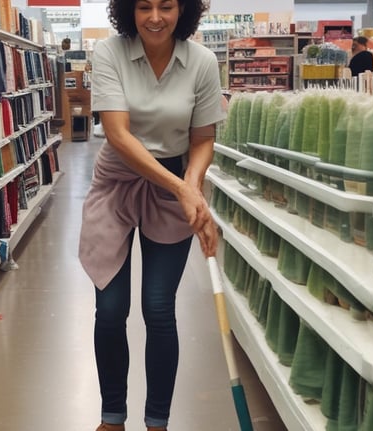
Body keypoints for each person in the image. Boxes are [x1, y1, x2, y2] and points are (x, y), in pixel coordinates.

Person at [77, 0, 225, 428]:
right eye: (144, 6)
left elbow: (202, 138)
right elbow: (119, 135)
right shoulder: (109, 53)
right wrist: (183, 189)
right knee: (110, 309)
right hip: (117, 183)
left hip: (175, 185)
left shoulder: (202, 62)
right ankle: (112, 417)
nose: (155, 16)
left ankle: (157, 421)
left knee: (158, 309)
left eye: (166, 5)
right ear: (129, 10)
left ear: (184, 10)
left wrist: (192, 188)